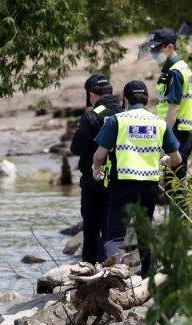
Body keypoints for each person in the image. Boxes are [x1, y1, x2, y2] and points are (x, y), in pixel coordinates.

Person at [92, 80, 182, 277]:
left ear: (125, 100)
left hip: (122, 185)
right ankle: (149, 278)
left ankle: (110, 277)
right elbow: (177, 158)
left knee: (115, 237)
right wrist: (165, 160)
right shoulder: (160, 123)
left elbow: (99, 156)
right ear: (147, 100)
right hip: (149, 187)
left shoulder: (117, 120)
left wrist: (95, 170)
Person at [70, 73, 123, 264]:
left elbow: (76, 148)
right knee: (112, 231)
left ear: (92, 94)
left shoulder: (92, 115)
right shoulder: (125, 112)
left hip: (94, 179)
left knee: (91, 229)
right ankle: (111, 270)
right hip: (119, 180)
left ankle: (90, 269)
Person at [139, 28, 192, 209]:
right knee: (172, 186)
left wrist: (165, 139)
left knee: (176, 187)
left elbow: (174, 107)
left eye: (157, 49)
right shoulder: (174, 69)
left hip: (177, 134)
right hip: (177, 133)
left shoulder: (175, 72)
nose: (154, 53)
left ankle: (183, 230)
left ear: (170, 47)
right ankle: (177, 230)